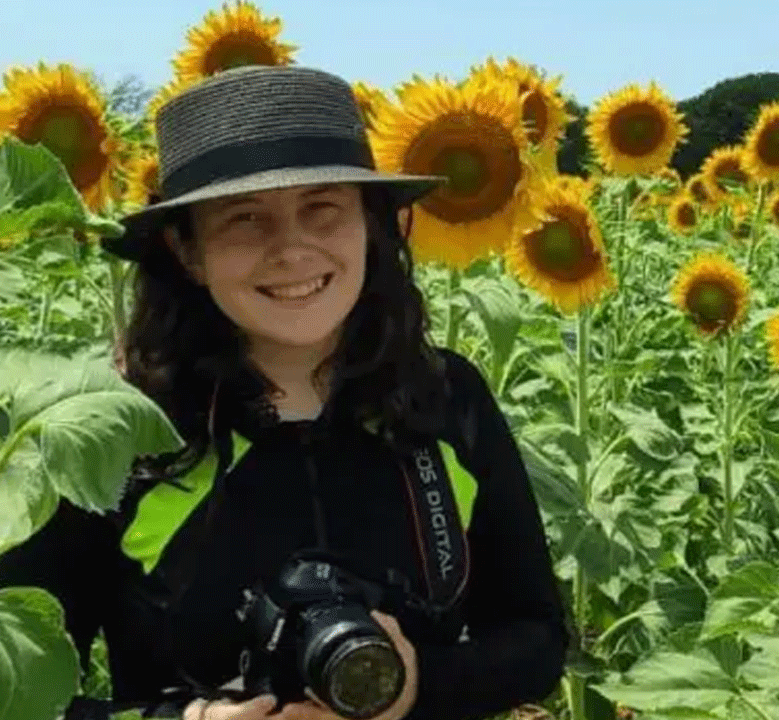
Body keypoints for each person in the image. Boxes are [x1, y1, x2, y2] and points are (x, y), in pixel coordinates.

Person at [0, 65, 567, 720]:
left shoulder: (445, 398)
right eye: (245, 218)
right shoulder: (113, 429)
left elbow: (535, 638)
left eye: (322, 208)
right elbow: (21, 696)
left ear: (370, 226)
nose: (293, 250)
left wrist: (421, 686)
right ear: (188, 251)